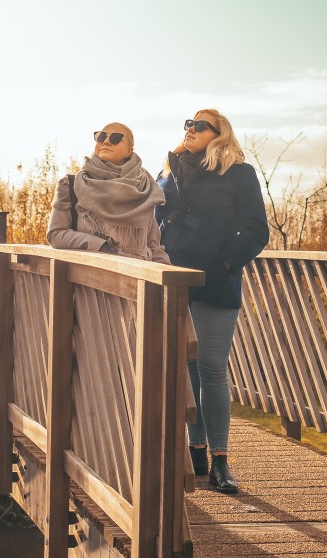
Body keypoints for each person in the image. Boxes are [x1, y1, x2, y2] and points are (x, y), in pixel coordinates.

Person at [156, 109, 269, 494]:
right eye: (188, 123)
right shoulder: (169, 171)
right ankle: (197, 450)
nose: (190, 129)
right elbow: (152, 221)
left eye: (200, 125)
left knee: (212, 367)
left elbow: (256, 230)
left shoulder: (238, 173)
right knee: (187, 366)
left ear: (220, 134)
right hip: (173, 279)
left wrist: (226, 263)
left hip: (216, 280)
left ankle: (220, 460)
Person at [46, 122, 169, 264]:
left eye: (115, 138)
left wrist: (170, 275)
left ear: (129, 151)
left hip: (139, 275)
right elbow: (55, 234)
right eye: (101, 136)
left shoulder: (143, 190)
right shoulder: (71, 185)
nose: (106, 141)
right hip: (92, 274)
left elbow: (154, 248)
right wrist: (99, 245)